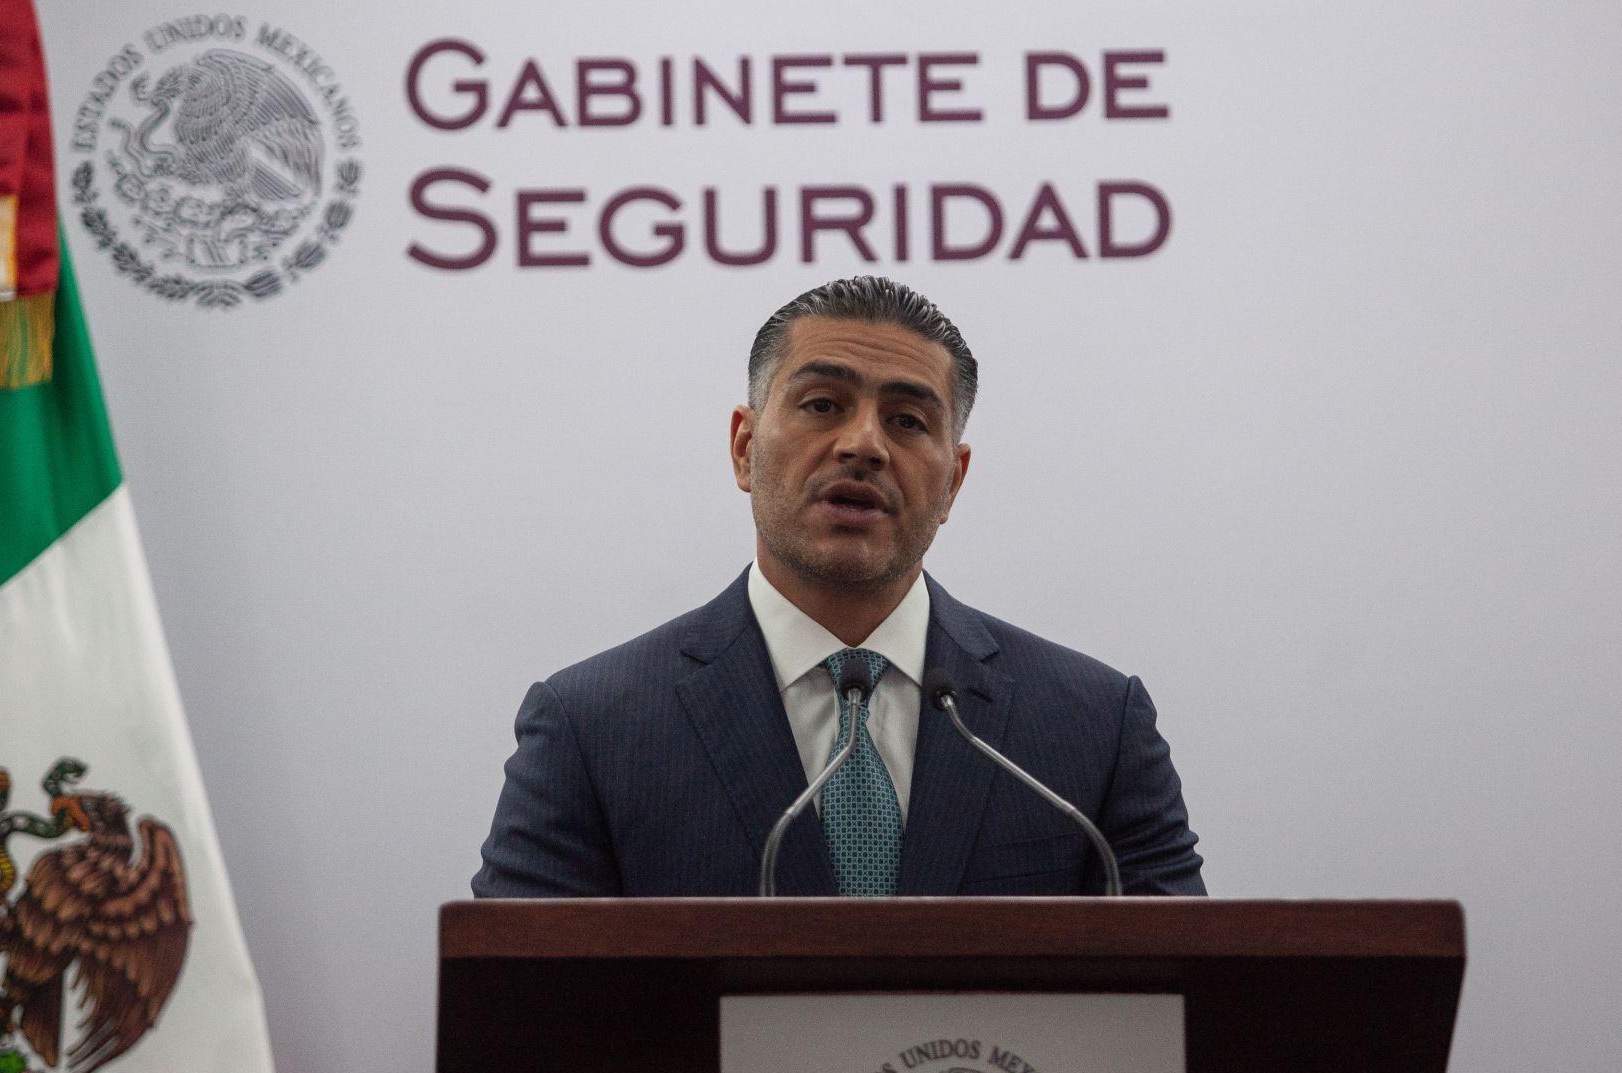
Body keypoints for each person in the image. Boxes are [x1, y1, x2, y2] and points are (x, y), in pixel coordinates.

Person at [473, 276, 1204, 898]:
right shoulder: (592, 728)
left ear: (953, 482)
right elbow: (521, 1004)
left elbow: (1178, 997)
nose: (863, 445)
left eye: (908, 420)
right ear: (744, 447)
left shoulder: (1094, 727)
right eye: (822, 405)